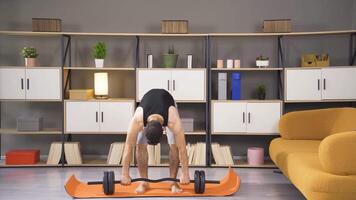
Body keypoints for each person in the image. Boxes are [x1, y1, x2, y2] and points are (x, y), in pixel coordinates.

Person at [120, 88, 190, 194]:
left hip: (167, 103)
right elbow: (128, 146)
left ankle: (173, 182)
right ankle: (144, 182)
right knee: (139, 146)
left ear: (163, 129)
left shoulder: (173, 120)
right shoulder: (138, 120)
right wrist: (124, 174)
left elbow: (182, 149)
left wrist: (185, 174)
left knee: (174, 146)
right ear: (144, 127)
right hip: (147, 102)